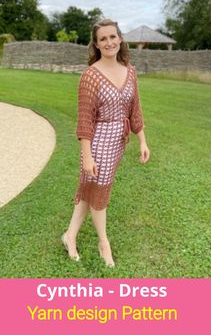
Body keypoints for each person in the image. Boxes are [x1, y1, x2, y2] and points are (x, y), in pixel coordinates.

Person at [61, 19, 150, 267]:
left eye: (113, 37)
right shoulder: (90, 76)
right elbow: (85, 120)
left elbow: (135, 109)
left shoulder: (130, 71)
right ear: (97, 44)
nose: (109, 42)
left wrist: (142, 140)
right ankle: (104, 243)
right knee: (98, 192)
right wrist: (87, 156)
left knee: (92, 191)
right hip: (97, 143)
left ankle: (69, 236)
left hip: (118, 142)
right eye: (103, 39)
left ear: (120, 39)